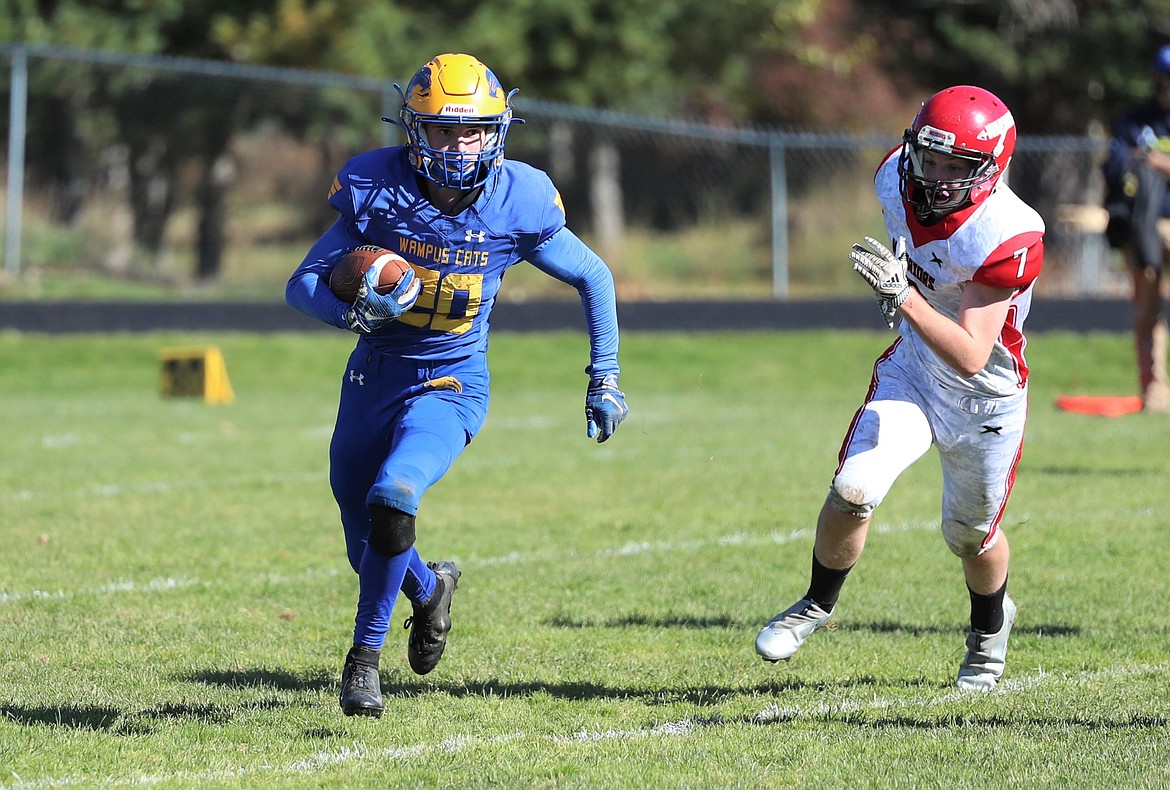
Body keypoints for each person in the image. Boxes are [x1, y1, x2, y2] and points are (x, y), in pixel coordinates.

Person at [286, 53, 629, 717]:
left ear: (497, 131)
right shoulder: (376, 188)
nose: (458, 144)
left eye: (472, 131)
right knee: (366, 539)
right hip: (373, 376)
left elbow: (595, 276)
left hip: (451, 381)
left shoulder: (516, 199)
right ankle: (429, 587)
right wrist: (350, 312)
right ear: (414, 130)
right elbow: (301, 282)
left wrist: (604, 373)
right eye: (443, 130)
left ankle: (364, 660)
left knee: (395, 494)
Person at [754, 86, 1044, 691]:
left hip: (984, 397)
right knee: (853, 487)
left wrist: (904, 294)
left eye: (954, 166)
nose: (936, 177)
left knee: (969, 536)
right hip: (914, 368)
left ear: (991, 170)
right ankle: (816, 603)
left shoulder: (1006, 234)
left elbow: (970, 354)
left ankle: (989, 633)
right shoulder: (893, 176)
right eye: (930, 159)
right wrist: (908, 297)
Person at [1101, 44, 1170, 413]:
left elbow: (1143, 161)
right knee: (1148, 310)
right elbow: (1115, 168)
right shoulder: (1134, 121)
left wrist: (1155, 161)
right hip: (1143, 229)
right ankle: (1155, 391)